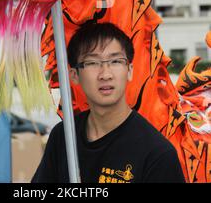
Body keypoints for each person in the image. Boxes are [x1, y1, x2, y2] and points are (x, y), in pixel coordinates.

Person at [31, 21, 185, 183]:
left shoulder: (157, 153)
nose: (105, 74)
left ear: (129, 71)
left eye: (115, 61)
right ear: (74, 75)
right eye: (92, 63)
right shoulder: (63, 136)